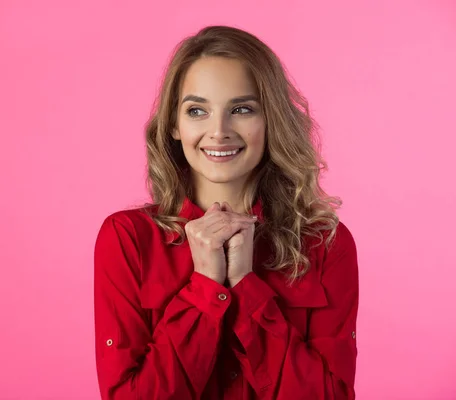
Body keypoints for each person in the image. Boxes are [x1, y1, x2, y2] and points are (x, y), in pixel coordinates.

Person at [93, 25, 358, 400]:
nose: (219, 131)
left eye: (242, 109)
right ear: (173, 124)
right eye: (197, 110)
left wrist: (245, 286)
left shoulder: (326, 244)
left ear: (271, 120)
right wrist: (204, 287)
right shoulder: (127, 239)